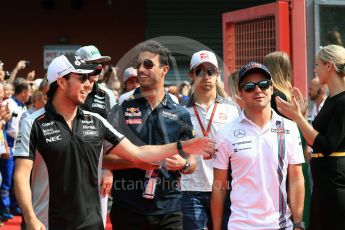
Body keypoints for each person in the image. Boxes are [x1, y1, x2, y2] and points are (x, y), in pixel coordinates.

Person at [13, 54, 214, 230]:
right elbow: (21, 175)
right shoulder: (33, 123)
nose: (89, 83)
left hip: (91, 223)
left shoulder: (97, 121)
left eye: (89, 78)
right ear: (62, 81)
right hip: (48, 223)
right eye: (81, 78)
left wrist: (183, 146)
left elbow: (138, 153)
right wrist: (30, 218)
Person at [103, 40, 196, 230]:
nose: (141, 70)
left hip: (169, 210)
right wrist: (137, 161)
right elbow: (105, 160)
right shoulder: (122, 108)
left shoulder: (180, 113)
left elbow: (191, 162)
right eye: (138, 64)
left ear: (164, 69)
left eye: (148, 64)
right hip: (128, 208)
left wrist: (183, 164)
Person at [212, 62, 305, 230]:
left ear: (271, 88)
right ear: (240, 93)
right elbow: (219, 186)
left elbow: (297, 179)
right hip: (240, 226)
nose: (258, 90)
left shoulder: (290, 128)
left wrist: (298, 223)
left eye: (263, 84)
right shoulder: (225, 133)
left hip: (281, 226)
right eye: (249, 87)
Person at [276, 44, 345, 230]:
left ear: (329, 66)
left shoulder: (343, 101)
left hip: (336, 187)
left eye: (317, 65)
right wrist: (301, 115)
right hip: (324, 185)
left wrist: (298, 117)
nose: (315, 69)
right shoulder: (333, 99)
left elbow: (327, 144)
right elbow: (314, 139)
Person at [180, 50, 239, 230]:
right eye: (200, 71)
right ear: (191, 75)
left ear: (217, 75)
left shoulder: (232, 109)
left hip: (224, 188)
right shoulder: (179, 111)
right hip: (190, 189)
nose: (206, 76)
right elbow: (174, 148)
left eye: (210, 71)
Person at [75, 45, 117, 227]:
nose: (97, 70)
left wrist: (108, 168)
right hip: (68, 165)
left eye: (99, 66)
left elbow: (114, 137)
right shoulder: (66, 91)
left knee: (97, 221)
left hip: (97, 167)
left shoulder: (107, 95)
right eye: (92, 65)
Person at [0, 80, 31, 220]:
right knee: (6, 178)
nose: (30, 94)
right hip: (9, 146)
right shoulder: (11, 104)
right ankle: (5, 207)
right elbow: (11, 129)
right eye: (29, 91)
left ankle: (13, 205)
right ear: (23, 92)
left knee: (13, 178)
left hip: (16, 146)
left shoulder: (22, 105)